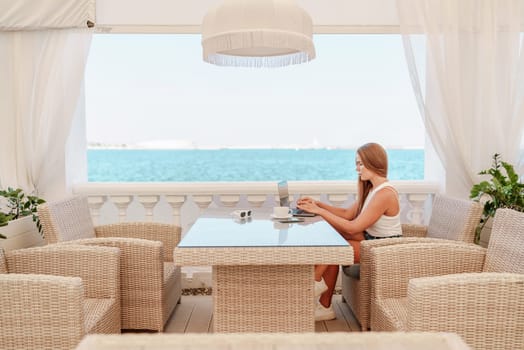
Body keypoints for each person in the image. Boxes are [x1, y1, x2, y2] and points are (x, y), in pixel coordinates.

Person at [297, 142, 402, 321]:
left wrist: (319, 212)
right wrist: (318, 204)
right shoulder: (372, 189)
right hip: (371, 242)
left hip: (384, 250)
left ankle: (314, 281)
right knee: (332, 240)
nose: (357, 169)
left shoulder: (385, 194)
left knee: (333, 242)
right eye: (356, 163)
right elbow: (347, 214)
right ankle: (324, 307)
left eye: (360, 164)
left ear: (373, 162)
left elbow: (354, 227)